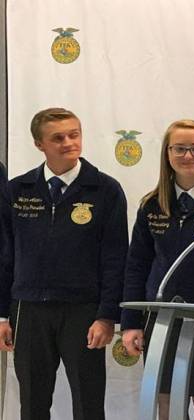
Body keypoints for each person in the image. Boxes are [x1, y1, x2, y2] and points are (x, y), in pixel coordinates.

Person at [0, 108, 128, 420]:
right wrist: (2, 315)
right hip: (28, 309)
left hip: (83, 310)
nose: (69, 143)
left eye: (74, 134)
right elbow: (5, 255)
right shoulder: (17, 190)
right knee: (32, 402)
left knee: (88, 401)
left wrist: (107, 315)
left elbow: (115, 258)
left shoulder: (105, 189)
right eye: (58, 138)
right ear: (38, 144)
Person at [121, 119, 194, 419]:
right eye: (180, 149)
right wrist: (131, 322)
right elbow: (137, 265)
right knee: (167, 407)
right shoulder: (152, 205)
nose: (188, 156)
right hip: (162, 319)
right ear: (167, 154)